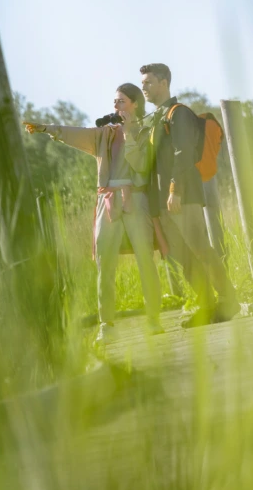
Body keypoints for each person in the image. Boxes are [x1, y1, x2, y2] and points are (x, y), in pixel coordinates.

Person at [23, 83, 163, 343]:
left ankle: (153, 319)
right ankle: (106, 325)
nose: (116, 106)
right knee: (104, 261)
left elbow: (142, 165)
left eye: (121, 101)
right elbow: (76, 134)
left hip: (135, 199)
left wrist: (130, 132)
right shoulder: (104, 134)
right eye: (115, 101)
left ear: (134, 104)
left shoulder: (146, 131)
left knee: (145, 259)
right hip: (107, 200)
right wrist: (46, 128)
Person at [140, 63, 240, 328]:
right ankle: (206, 306)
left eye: (148, 82)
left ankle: (229, 300)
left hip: (182, 195)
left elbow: (182, 153)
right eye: (142, 83)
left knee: (199, 248)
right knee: (184, 256)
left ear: (164, 83)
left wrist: (175, 190)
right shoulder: (155, 118)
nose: (144, 87)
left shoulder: (178, 113)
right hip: (163, 201)